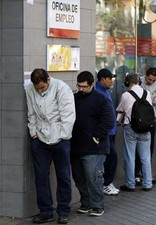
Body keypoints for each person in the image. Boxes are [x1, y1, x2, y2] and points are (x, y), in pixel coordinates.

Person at [25, 68, 75, 224]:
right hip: (39, 138)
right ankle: (45, 212)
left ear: (48, 80)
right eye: (37, 88)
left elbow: (68, 114)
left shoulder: (61, 87)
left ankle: (63, 211)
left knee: (63, 176)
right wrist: (33, 133)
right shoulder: (30, 89)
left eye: (42, 87)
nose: (39, 90)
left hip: (60, 138)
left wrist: (62, 136)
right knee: (40, 176)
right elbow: (31, 113)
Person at [71, 71, 114, 217]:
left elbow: (109, 120)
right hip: (76, 145)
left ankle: (97, 205)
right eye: (79, 86)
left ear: (92, 85)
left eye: (84, 87)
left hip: (95, 147)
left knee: (94, 177)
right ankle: (86, 203)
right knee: (79, 177)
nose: (81, 89)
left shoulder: (101, 99)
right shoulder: (73, 98)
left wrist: (97, 136)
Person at [116, 73, 153, 191]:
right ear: (139, 82)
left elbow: (120, 110)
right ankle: (147, 184)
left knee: (129, 157)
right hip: (146, 128)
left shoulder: (126, 95)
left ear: (127, 83)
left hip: (130, 128)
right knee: (145, 157)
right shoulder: (147, 93)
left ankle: (130, 184)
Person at [135, 67, 156, 185]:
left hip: (151, 118)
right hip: (139, 119)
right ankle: (136, 174)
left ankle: (147, 175)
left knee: (150, 147)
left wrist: (148, 98)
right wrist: (151, 96)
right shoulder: (138, 82)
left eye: (153, 80)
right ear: (145, 75)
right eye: (150, 79)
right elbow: (139, 101)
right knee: (137, 148)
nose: (151, 82)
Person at [95, 68, 119, 195]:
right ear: (102, 79)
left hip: (111, 131)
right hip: (106, 132)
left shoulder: (105, 91)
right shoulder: (99, 93)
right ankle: (106, 183)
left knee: (111, 157)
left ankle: (107, 182)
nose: (111, 81)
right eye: (109, 79)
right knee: (111, 157)